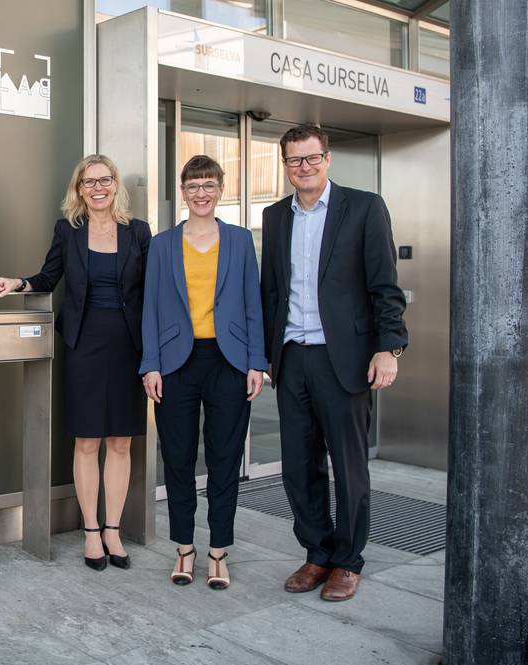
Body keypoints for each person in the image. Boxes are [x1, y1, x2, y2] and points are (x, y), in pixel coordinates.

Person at [260, 123, 407, 602]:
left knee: (348, 467)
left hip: (344, 360)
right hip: (291, 358)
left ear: (327, 159)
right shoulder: (275, 216)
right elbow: (271, 292)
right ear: (285, 165)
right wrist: (265, 355)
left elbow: (385, 286)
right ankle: (317, 553)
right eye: (294, 160)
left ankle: (348, 560)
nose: (303, 167)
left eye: (311, 158)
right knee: (299, 466)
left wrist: (389, 347)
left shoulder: (363, 208)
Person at [0, 154, 151, 571]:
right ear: (79, 189)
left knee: (121, 441)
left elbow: (153, 292)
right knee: (87, 440)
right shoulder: (68, 231)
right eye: (88, 182)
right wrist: (18, 282)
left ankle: (113, 530)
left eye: (104, 180)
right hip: (84, 344)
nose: (98, 188)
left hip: (129, 346)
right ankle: (91, 531)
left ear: (115, 184)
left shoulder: (138, 232)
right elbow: (48, 278)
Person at [140, 155, 266, 590]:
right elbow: (150, 308)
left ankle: (218, 551)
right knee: (177, 458)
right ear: (183, 191)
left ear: (221, 189)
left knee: (224, 458)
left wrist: (257, 361)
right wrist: (150, 364)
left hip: (229, 362)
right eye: (193, 186)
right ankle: (184, 548)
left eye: (209, 185)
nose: (201, 193)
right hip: (176, 363)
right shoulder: (162, 245)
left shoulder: (240, 240)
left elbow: (253, 302)